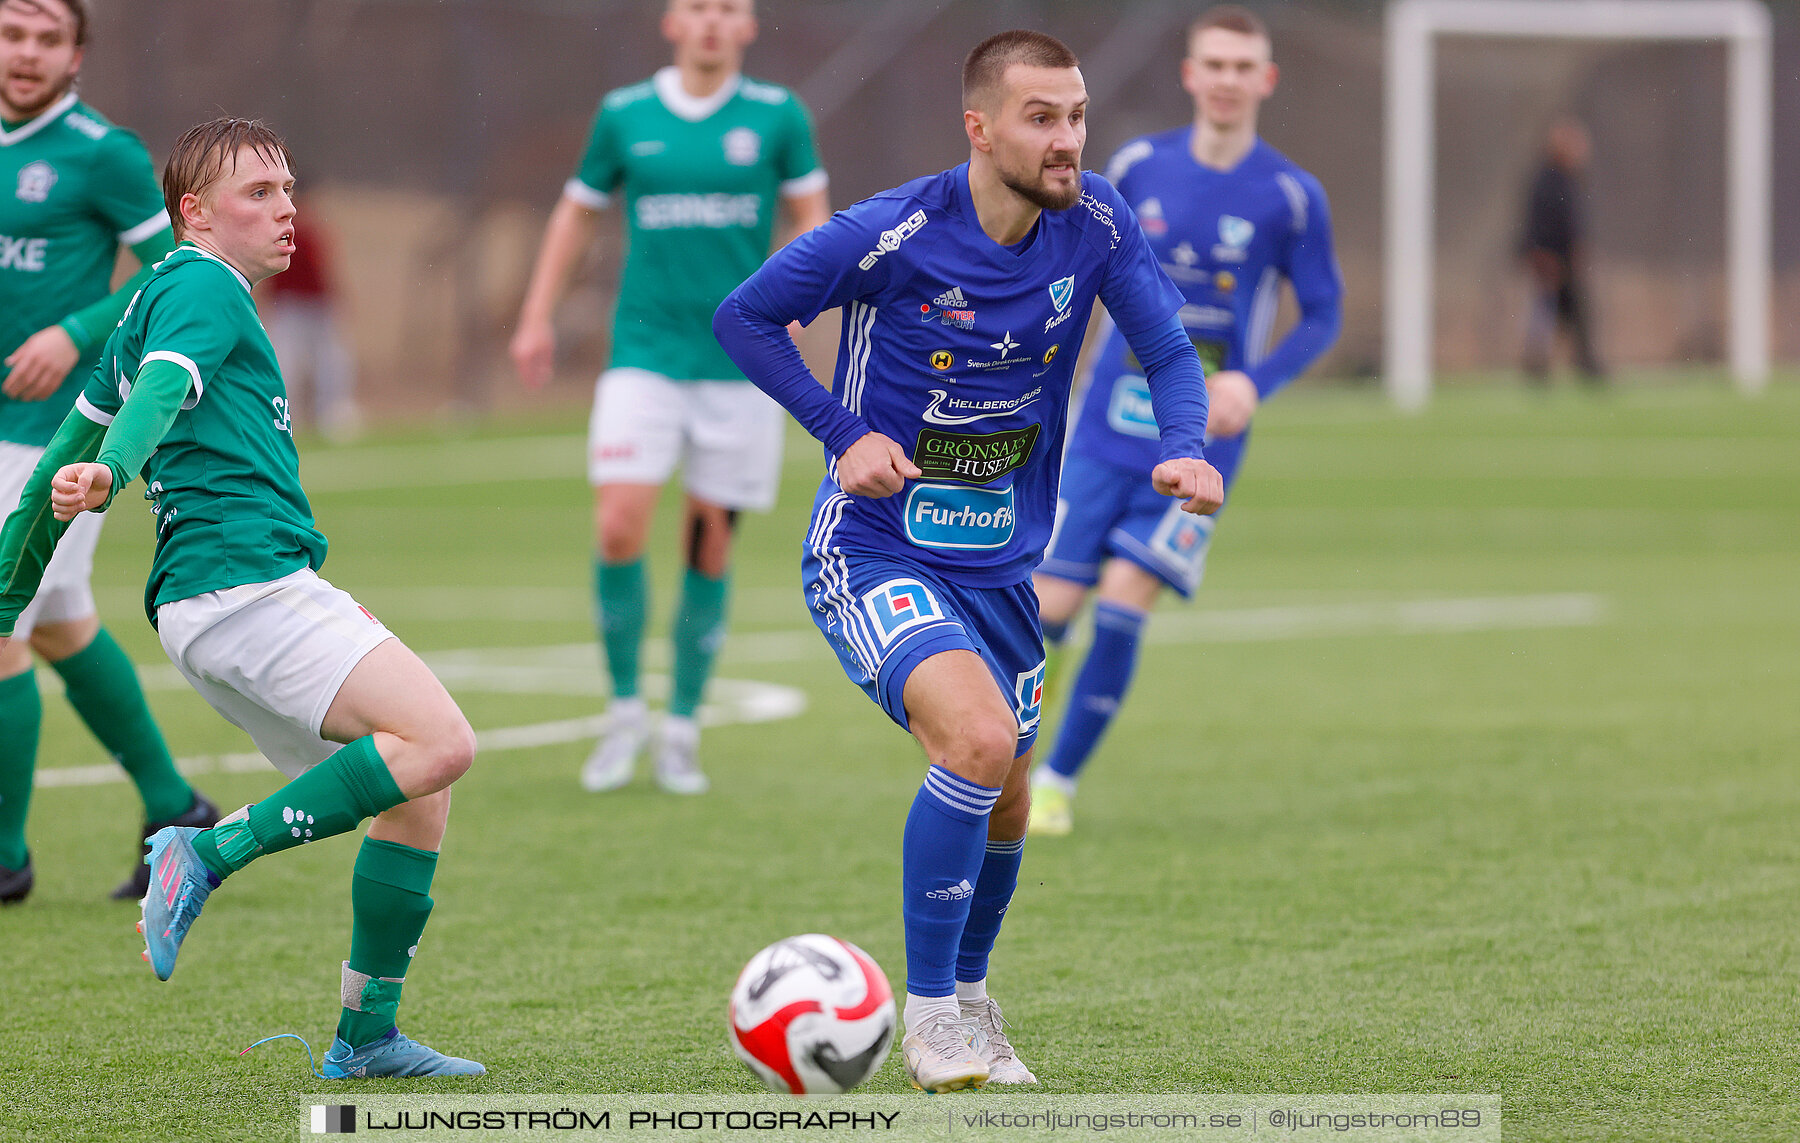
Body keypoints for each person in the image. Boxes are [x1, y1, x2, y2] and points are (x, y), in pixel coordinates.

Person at [715, 30, 1223, 1092]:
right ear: (979, 128)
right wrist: (839, 430)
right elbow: (748, 317)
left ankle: (975, 1000)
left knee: (1008, 795)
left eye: (1077, 116)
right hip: (873, 548)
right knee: (981, 740)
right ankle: (932, 1015)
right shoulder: (895, 230)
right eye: (1043, 118)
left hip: (1001, 565)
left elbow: (1169, 349)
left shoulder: (1094, 223)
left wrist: (1184, 449)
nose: (1068, 141)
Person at [0, 118, 483, 1079]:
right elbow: (159, 399)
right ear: (194, 213)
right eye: (257, 192)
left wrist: (5, 598)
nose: (284, 209)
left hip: (215, 601)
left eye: (289, 190)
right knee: (442, 742)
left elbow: (57, 453)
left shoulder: (148, 302)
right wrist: (116, 474)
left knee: (417, 793)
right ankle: (205, 850)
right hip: (243, 585)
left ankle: (366, 1034)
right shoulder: (202, 285)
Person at [1028, 5, 1342, 837]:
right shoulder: (1135, 165)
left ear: (1265, 80)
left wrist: (1254, 380)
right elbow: (1064, 257)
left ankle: (1057, 780)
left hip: (1202, 443)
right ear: (1190, 74)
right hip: (1099, 431)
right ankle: (1009, 765)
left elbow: (1323, 312)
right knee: (1047, 608)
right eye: (1216, 64)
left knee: (1129, 599)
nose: (1229, 79)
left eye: (1245, 66)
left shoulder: (1289, 195)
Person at [510, 0, 828, 796]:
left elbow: (813, 218)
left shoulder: (777, 116)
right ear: (671, 22)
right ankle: (624, 712)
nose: (712, 22)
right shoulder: (626, 115)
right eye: (698, 8)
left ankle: (681, 725)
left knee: (708, 544)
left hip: (740, 363)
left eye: (728, 9)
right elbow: (574, 216)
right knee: (619, 524)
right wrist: (536, 315)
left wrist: (802, 296)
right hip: (643, 356)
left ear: (749, 26)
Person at [0, 0, 216, 906]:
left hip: (58, 431)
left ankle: (6, 857)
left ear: (77, 52)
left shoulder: (103, 151)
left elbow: (179, 266)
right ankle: (176, 804)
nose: (26, 51)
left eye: (48, 36)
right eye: (13, 31)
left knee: (4, 624)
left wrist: (74, 328)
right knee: (56, 624)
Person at [262, 214, 362, 442]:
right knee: (288, 364)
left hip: (312, 304)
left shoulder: (302, 229)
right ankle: (286, 416)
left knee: (331, 362)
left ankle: (330, 413)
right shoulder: (288, 229)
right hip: (293, 305)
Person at [1519, 116, 1603, 383]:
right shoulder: (1548, 181)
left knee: (1569, 313)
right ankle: (1539, 365)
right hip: (1552, 260)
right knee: (1548, 311)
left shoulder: (1568, 179)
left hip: (1563, 260)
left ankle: (1583, 362)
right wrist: (1543, 255)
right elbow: (1540, 223)